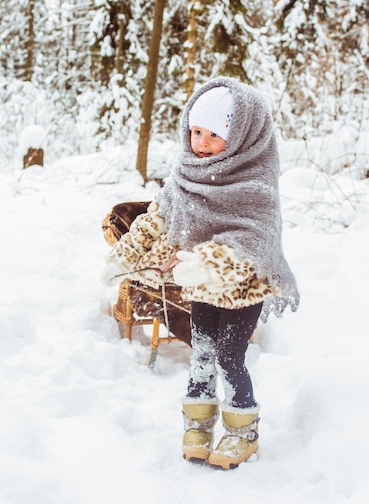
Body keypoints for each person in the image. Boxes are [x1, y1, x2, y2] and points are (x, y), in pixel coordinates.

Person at [100, 76, 299, 470]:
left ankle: (243, 427)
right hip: (202, 289)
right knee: (202, 353)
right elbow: (157, 217)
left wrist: (201, 262)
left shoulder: (255, 185)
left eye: (214, 135)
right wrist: (125, 255)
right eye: (196, 131)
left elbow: (252, 242)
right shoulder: (186, 175)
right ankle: (199, 421)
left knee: (229, 356)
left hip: (242, 288)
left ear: (242, 136)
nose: (202, 143)